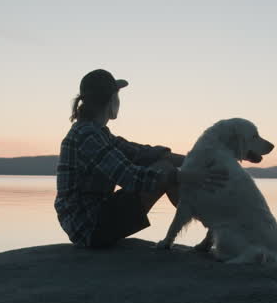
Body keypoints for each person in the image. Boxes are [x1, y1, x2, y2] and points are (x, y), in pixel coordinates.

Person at [55, 69, 210, 248]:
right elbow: (130, 178)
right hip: (90, 227)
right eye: (117, 95)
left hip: (93, 221)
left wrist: (200, 163)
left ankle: (212, 229)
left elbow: (140, 153)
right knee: (165, 170)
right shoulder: (87, 135)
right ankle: (215, 228)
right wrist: (180, 176)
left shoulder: (96, 132)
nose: (119, 101)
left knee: (163, 165)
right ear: (109, 99)